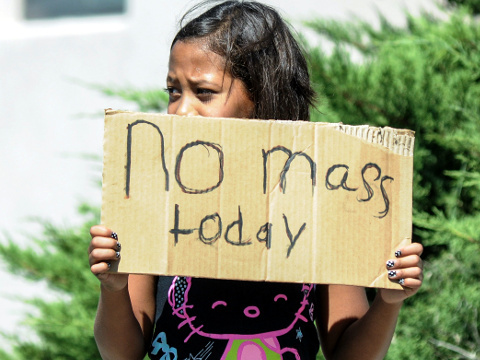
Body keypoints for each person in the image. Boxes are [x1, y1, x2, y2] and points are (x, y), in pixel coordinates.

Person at [88, 1, 424, 359]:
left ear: (260, 98)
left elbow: (348, 353)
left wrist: (389, 301)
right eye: (173, 91)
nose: (181, 110)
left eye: (203, 92)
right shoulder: (155, 196)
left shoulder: (317, 201)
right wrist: (113, 287)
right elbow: (121, 353)